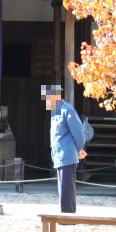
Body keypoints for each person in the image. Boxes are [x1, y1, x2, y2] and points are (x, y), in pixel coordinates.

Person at [42, 83, 87, 213]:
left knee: (66, 190)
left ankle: (67, 218)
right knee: (63, 190)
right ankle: (66, 216)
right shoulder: (55, 113)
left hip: (67, 155)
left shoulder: (67, 110)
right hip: (59, 156)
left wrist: (80, 148)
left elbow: (78, 132)